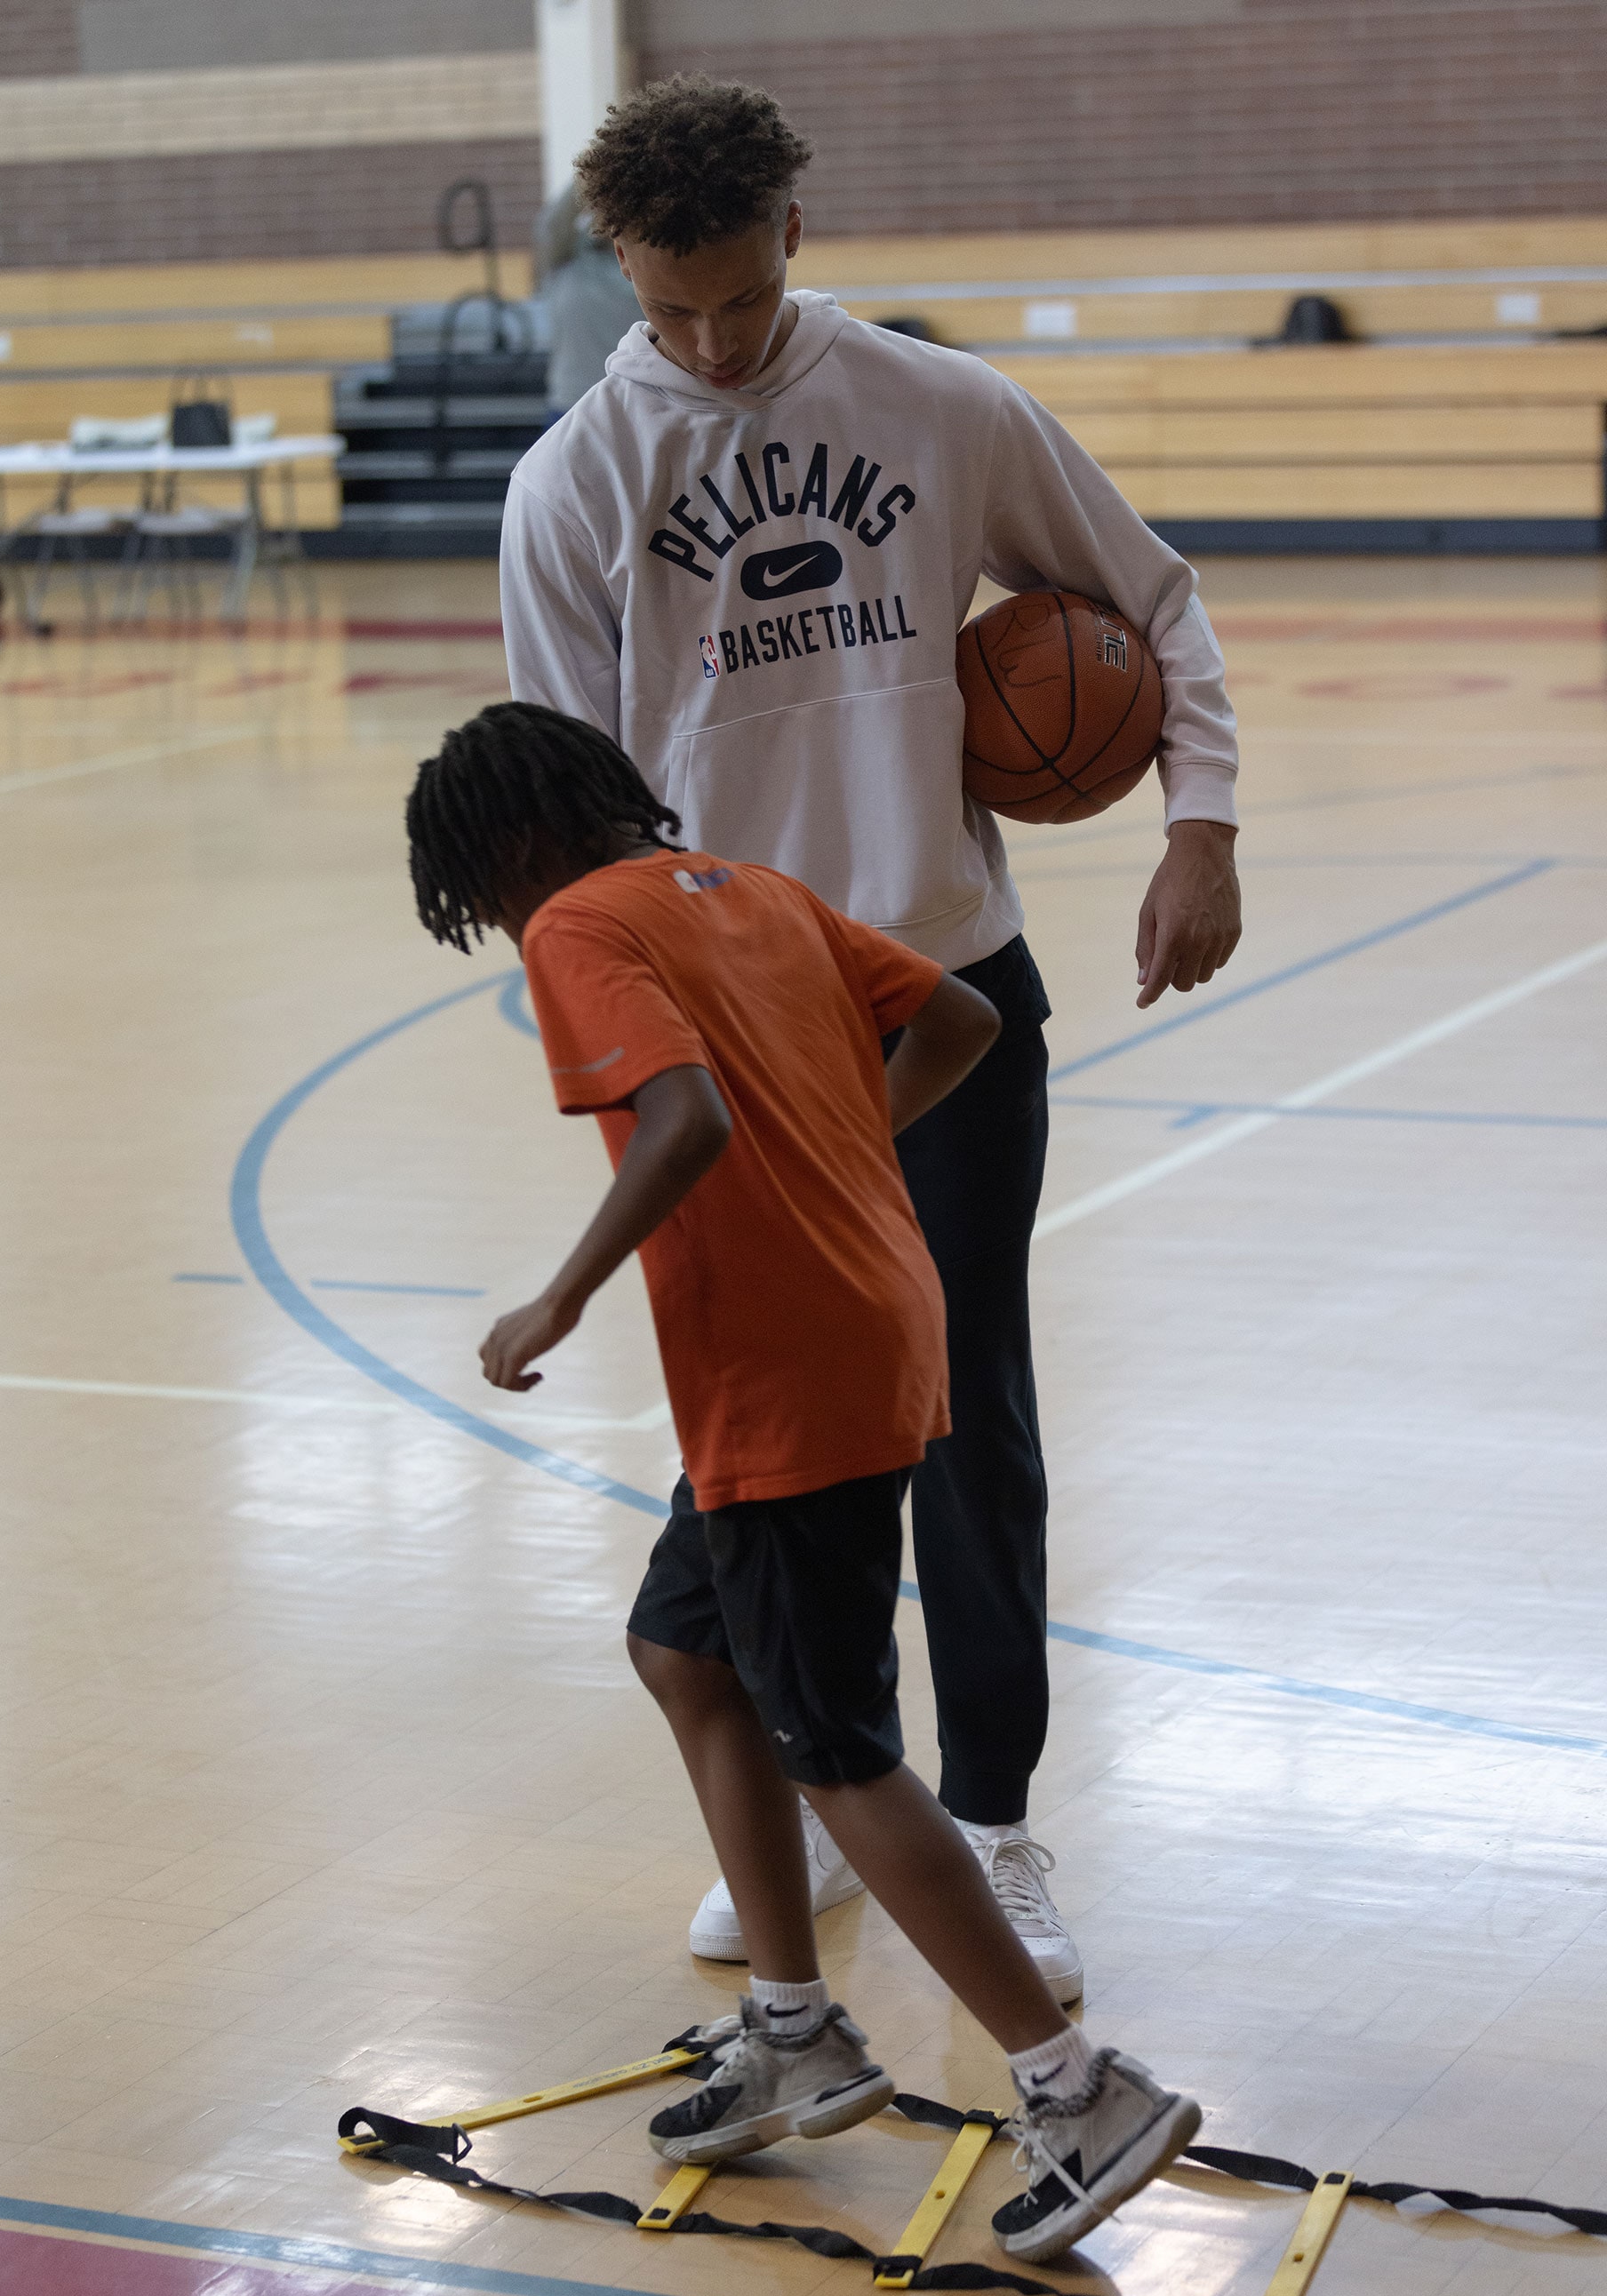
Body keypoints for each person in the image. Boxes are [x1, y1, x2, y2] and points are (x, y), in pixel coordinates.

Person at [498, 76, 1243, 2002]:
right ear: (626, 279)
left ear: (791, 242)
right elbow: (571, 806)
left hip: (953, 999)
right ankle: (828, 1789)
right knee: (762, 1438)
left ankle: (991, 1819)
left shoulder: (939, 405)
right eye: (669, 312)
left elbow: (1151, 594)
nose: (710, 345)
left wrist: (1201, 821)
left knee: (963, 1405)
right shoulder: (573, 479)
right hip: (739, 1030)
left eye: (738, 301)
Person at [404, 699, 1203, 2267]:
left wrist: (559, 1295)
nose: (502, 924)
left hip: (787, 1367)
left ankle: (1078, 2086)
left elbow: (687, 1116)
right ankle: (795, 2025)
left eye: (482, 895)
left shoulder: (579, 922)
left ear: (514, 845)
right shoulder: (748, 885)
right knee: (686, 1649)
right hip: (875, 1306)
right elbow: (964, 1024)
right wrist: (838, 1142)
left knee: (836, 1744)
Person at [532, 180, 644, 421]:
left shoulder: (647, 268)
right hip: (570, 406)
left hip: (633, 408)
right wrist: (598, 173)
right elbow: (551, 224)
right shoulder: (565, 262)